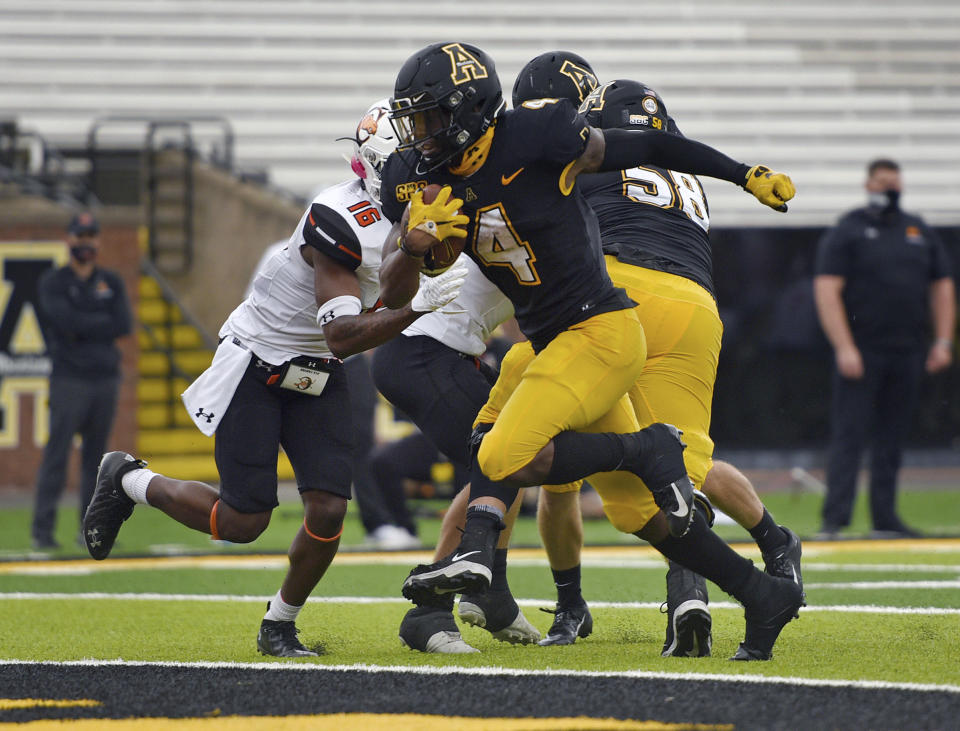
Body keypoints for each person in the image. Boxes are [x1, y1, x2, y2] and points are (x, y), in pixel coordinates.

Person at [379, 41, 802, 660]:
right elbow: (397, 289)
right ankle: (763, 596)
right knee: (637, 512)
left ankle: (481, 555)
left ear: (469, 110)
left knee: (499, 446)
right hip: (559, 341)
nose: (419, 135)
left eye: (430, 119)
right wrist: (413, 246)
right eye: (411, 121)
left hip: (600, 329)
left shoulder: (539, 134)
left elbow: (651, 147)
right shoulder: (414, 176)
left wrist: (742, 173)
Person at [81, 100, 468, 658]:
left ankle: (279, 623)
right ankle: (129, 480)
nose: (427, 162)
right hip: (260, 360)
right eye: (413, 153)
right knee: (243, 521)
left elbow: (395, 285)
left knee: (330, 509)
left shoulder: (413, 210)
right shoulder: (334, 217)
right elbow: (344, 333)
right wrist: (414, 309)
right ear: (380, 164)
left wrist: (419, 258)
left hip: (322, 371)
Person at [814, 158, 955, 539]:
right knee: (850, 435)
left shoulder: (917, 230)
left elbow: (942, 285)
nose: (888, 191)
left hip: (908, 349)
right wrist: (845, 346)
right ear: (868, 185)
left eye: (894, 184)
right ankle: (835, 519)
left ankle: (885, 518)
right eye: (882, 183)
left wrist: (942, 339)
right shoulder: (850, 229)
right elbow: (827, 289)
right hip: (863, 349)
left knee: (892, 438)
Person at [31, 212, 131, 550]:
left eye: (91, 235)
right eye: (80, 235)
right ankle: (42, 531)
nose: (86, 242)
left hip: (104, 380)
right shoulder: (54, 282)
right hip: (69, 379)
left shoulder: (111, 281)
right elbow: (61, 320)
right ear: (69, 239)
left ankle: (89, 530)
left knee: (96, 461)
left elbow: (122, 324)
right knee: (56, 455)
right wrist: (93, 321)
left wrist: (81, 324)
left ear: (98, 240)